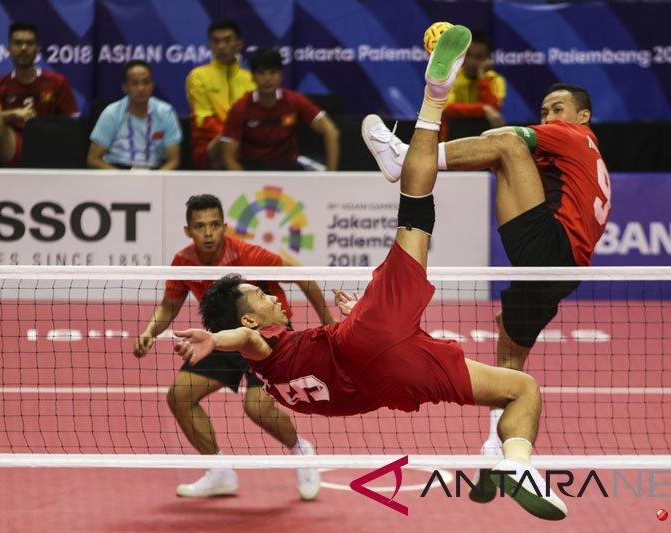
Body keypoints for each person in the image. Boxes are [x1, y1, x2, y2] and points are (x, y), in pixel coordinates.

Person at [175, 26, 567, 521]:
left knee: (521, 388)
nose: (272, 298)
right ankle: (432, 101)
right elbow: (246, 339)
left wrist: (350, 319)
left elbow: (337, 375)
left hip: (387, 380)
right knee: (415, 212)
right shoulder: (259, 342)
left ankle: (517, 466)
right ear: (248, 321)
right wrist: (218, 339)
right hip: (366, 337)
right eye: (258, 296)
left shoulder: (275, 384)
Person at [362, 80, 611, 502]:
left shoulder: (575, 136)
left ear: (583, 117)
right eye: (545, 111)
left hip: (553, 250)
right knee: (510, 353)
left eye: (558, 109)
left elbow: (511, 137)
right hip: (562, 271)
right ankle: (495, 448)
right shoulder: (578, 155)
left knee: (507, 145)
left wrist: (426, 155)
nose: (549, 118)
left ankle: (406, 159)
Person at [133, 194, 334, 500]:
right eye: (200, 226)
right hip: (221, 338)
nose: (208, 232)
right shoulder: (184, 261)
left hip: (267, 335)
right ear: (189, 231)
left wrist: (328, 322)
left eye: (214, 225)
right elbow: (168, 307)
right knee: (180, 396)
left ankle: (300, 450)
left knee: (256, 407)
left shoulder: (246, 254)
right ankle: (220, 471)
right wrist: (149, 331)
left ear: (224, 226)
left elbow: (301, 275)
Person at [0, 22, 79, 167]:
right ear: (9, 49)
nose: (23, 48)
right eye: (18, 43)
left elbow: (73, 122)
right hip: (12, 143)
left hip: (49, 144)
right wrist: (14, 113)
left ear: (37, 50)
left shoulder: (57, 82)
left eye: (29, 43)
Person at [220, 47, 340, 171]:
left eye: (272, 72)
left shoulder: (294, 101)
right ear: (253, 76)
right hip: (252, 169)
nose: (267, 78)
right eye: (261, 73)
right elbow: (228, 157)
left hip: (288, 169)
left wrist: (330, 176)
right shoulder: (240, 108)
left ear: (281, 74)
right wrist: (244, 185)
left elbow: (331, 131)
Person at [87, 60, 182, 170]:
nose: (141, 88)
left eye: (146, 82)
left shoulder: (165, 112)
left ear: (152, 85)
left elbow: (174, 160)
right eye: (134, 83)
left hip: (154, 173)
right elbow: (93, 159)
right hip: (117, 171)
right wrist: (123, 179)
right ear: (125, 87)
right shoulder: (111, 113)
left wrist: (157, 180)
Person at [186, 20, 255, 170]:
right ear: (210, 45)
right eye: (216, 41)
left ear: (238, 44)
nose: (221, 46)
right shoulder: (197, 76)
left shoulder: (251, 79)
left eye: (227, 40)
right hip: (210, 146)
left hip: (245, 144)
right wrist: (232, 138)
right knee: (224, 147)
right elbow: (203, 120)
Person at [442, 30, 506, 136]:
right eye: (468, 55)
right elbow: (448, 108)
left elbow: (494, 107)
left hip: (483, 133)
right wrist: (484, 108)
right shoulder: (450, 76)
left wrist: (482, 77)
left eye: (478, 57)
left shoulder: (495, 79)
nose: (471, 62)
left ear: (487, 59)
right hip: (453, 133)